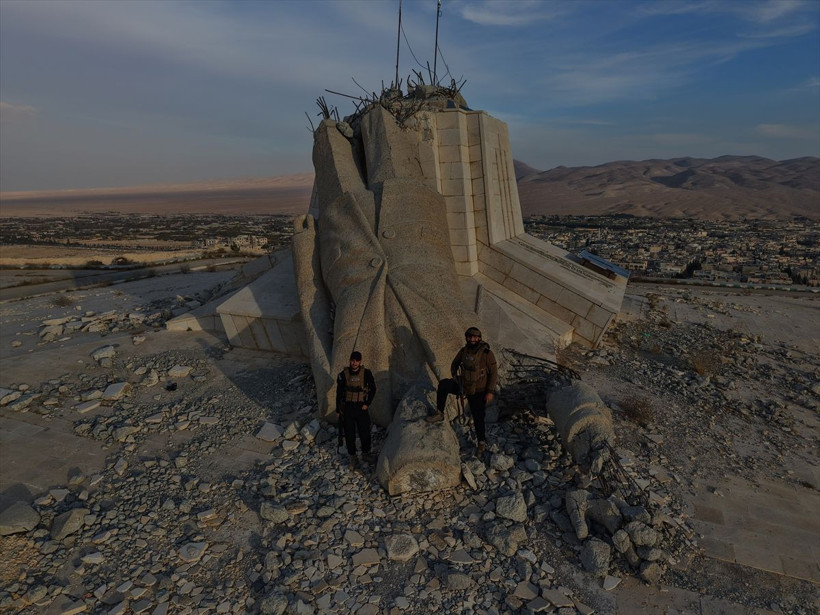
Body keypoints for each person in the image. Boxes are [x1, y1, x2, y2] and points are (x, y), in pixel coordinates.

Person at [427, 327, 498, 454]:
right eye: (469, 337)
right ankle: (440, 413)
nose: (472, 339)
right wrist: (455, 377)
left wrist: (490, 391)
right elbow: (454, 364)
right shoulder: (464, 351)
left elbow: (493, 373)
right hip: (464, 385)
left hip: (479, 390)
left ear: (479, 338)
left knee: (478, 417)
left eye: (474, 337)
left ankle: (481, 442)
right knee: (444, 385)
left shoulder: (487, 354)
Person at [336, 351, 377, 466]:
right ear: (350, 360)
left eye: (357, 360)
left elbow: (373, 389)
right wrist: (337, 410)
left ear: (360, 361)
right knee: (349, 434)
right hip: (348, 408)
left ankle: (366, 454)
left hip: (361, 407)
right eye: (352, 360)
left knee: (365, 432)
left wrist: (367, 403)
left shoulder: (367, 373)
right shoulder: (343, 374)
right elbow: (339, 392)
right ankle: (353, 457)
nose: (354, 363)